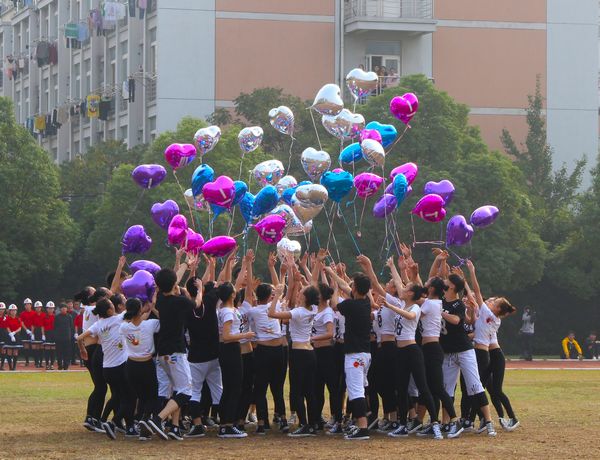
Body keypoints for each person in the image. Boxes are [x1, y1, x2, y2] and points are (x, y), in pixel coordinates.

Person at [439, 274, 497, 436]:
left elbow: (456, 320)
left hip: (464, 350)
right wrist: (441, 262)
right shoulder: (441, 301)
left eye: (447, 280)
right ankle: (447, 423)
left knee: (475, 385)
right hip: (447, 352)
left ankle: (489, 422)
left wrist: (440, 312)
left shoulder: (458, 304)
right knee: (447, 389)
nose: (444, 281)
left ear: (452, 286)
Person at [465, 260, 519, 432]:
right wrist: (465, 282)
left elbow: (477, 292)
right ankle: (476, 419)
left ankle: (512, 418)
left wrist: (471, 272)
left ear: (496, 309)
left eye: (493, 302)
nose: (490, 301)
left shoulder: (489, 314)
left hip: (493, 355)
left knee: (494, 390)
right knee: (482, 387)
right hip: (491, 354)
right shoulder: (489, 316)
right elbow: (475, 300)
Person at [147, 267, 198, 441]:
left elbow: (172, 279)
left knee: (177, 389)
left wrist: (184, 263)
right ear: (174, 284)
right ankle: (157, 419)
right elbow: (196, 304)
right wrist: (200, 290)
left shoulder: (161, 300)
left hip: (162, 353)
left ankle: (175, 427)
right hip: (176, 352)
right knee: (186, 391)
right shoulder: (180, 301)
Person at [77, 298, 135, 440]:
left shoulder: (98, 324)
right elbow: (136, 309)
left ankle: (112, 423)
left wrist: (82, 350)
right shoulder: (118, 319)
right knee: (130, 398)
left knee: (118, 396)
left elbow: (79, 338)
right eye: (111, 305)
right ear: (110, 310)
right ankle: (115, 423)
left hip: (107, 369)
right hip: (121, 367)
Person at [327, 266, 373, 441]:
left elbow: (334, 305)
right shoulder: (365, 302)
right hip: (365, 354)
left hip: (354, 355)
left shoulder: (350, 305)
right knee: (359, 389)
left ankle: (362, 428)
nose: (350, 287)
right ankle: (362, 425)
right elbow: (346, 287)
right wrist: (333, 274)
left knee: (356, 392)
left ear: (355, 289)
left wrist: (334, 287)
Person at [269, 276, 319, 437]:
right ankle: (312, 425)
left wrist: (277, 295)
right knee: (310, 391)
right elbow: (312, 290)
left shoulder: (298, 312)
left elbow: (271, 313)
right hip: (310, 352)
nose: (298, 293)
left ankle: (303, 425)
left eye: (301, 292)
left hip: (299, 354)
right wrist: (301, 281)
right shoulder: (312, 309)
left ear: (304, 297)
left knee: (297, 391)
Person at [217, 281, 255, 438]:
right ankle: (227, 425)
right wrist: (245, 335)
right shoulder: (227, 311)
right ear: (232, 294)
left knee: (231, 387)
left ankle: (225, 424)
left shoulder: (230, 309)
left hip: (232, 349)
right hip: (230, 349)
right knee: (233, 388)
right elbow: (226, 336)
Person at [119, 297, 161, 441]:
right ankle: (145, 419)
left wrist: (142, 311)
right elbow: (165, 320)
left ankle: (142, 428)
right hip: (146, 365)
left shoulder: (124, 327)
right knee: (153, 396)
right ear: (140, 310)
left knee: (141, 397)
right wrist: (153, 307)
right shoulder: (151, 324)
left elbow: (135, 321)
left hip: (131, 366)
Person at [54, 302, 75, 370]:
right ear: (60, 309)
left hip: (67, 337)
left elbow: (71, 327)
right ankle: (60, 365)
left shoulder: (69, 317)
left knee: (67, 352)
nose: (64, 309)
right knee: (59, 352)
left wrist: (71, 336)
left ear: (66, 309)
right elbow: (55, 326)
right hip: (59, 337)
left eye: (65, 308)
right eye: (62, 308)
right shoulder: (57, 317)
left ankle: (66, 365)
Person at [3, 304, 23, 371]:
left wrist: (14, 332)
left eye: (14, 310)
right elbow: (7, 327)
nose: (13, 312)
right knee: (9, 351)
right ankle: (10, 367)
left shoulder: (18, 319)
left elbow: (20, 328)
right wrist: (11, 334)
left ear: (16, 311)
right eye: (12, 310)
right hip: (9, 335)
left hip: (16, 335)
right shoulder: (7, 318)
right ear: (10, 311)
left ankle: (14, 367)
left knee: (15, 352)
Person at [19, 298, 35, 366]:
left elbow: (35, 322)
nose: (27, 306)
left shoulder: (34, 313)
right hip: (25, 331)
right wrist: (26, 330)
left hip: (33, 330)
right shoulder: (22, 313)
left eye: (28, 304)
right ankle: (27, 361)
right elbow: (21, 323)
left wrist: (32, 331)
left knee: (34, 346)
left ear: (31, 305)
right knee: (26, 346)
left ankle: (36, 361)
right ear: (24, 306)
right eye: (26, 305)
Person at [31, 301, 46, 368]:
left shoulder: (44, 315)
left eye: (39, 307)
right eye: (36, 307)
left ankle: (41, 362)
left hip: (42, 331)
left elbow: (44, 325)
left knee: (42, 348)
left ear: (41, 307)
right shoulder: (33, 315)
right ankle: (36, 362)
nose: (38, 308)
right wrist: (32, 334)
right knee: (36, 347)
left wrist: (43, 334)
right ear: (35, 308)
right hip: (36, 331)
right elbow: (32, 325)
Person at [43, 302, 56, 370]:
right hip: (47, 333)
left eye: (52, 308)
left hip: (53, 333)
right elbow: (42, 326)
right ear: (47, 309)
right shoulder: (44, 316)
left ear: (53, 309)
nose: (50, 310)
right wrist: (43, 335)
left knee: (53, 349)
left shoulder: (55, 317)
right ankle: (47, 364)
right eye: (49, 308)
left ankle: (52, 364)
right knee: (47, 349)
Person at [0, 303, 7, 370]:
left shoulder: (6, 317)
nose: (1, 310)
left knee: (3, 350)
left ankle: (1, 366)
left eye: (2, 309)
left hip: (3, 335)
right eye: (0, 309)